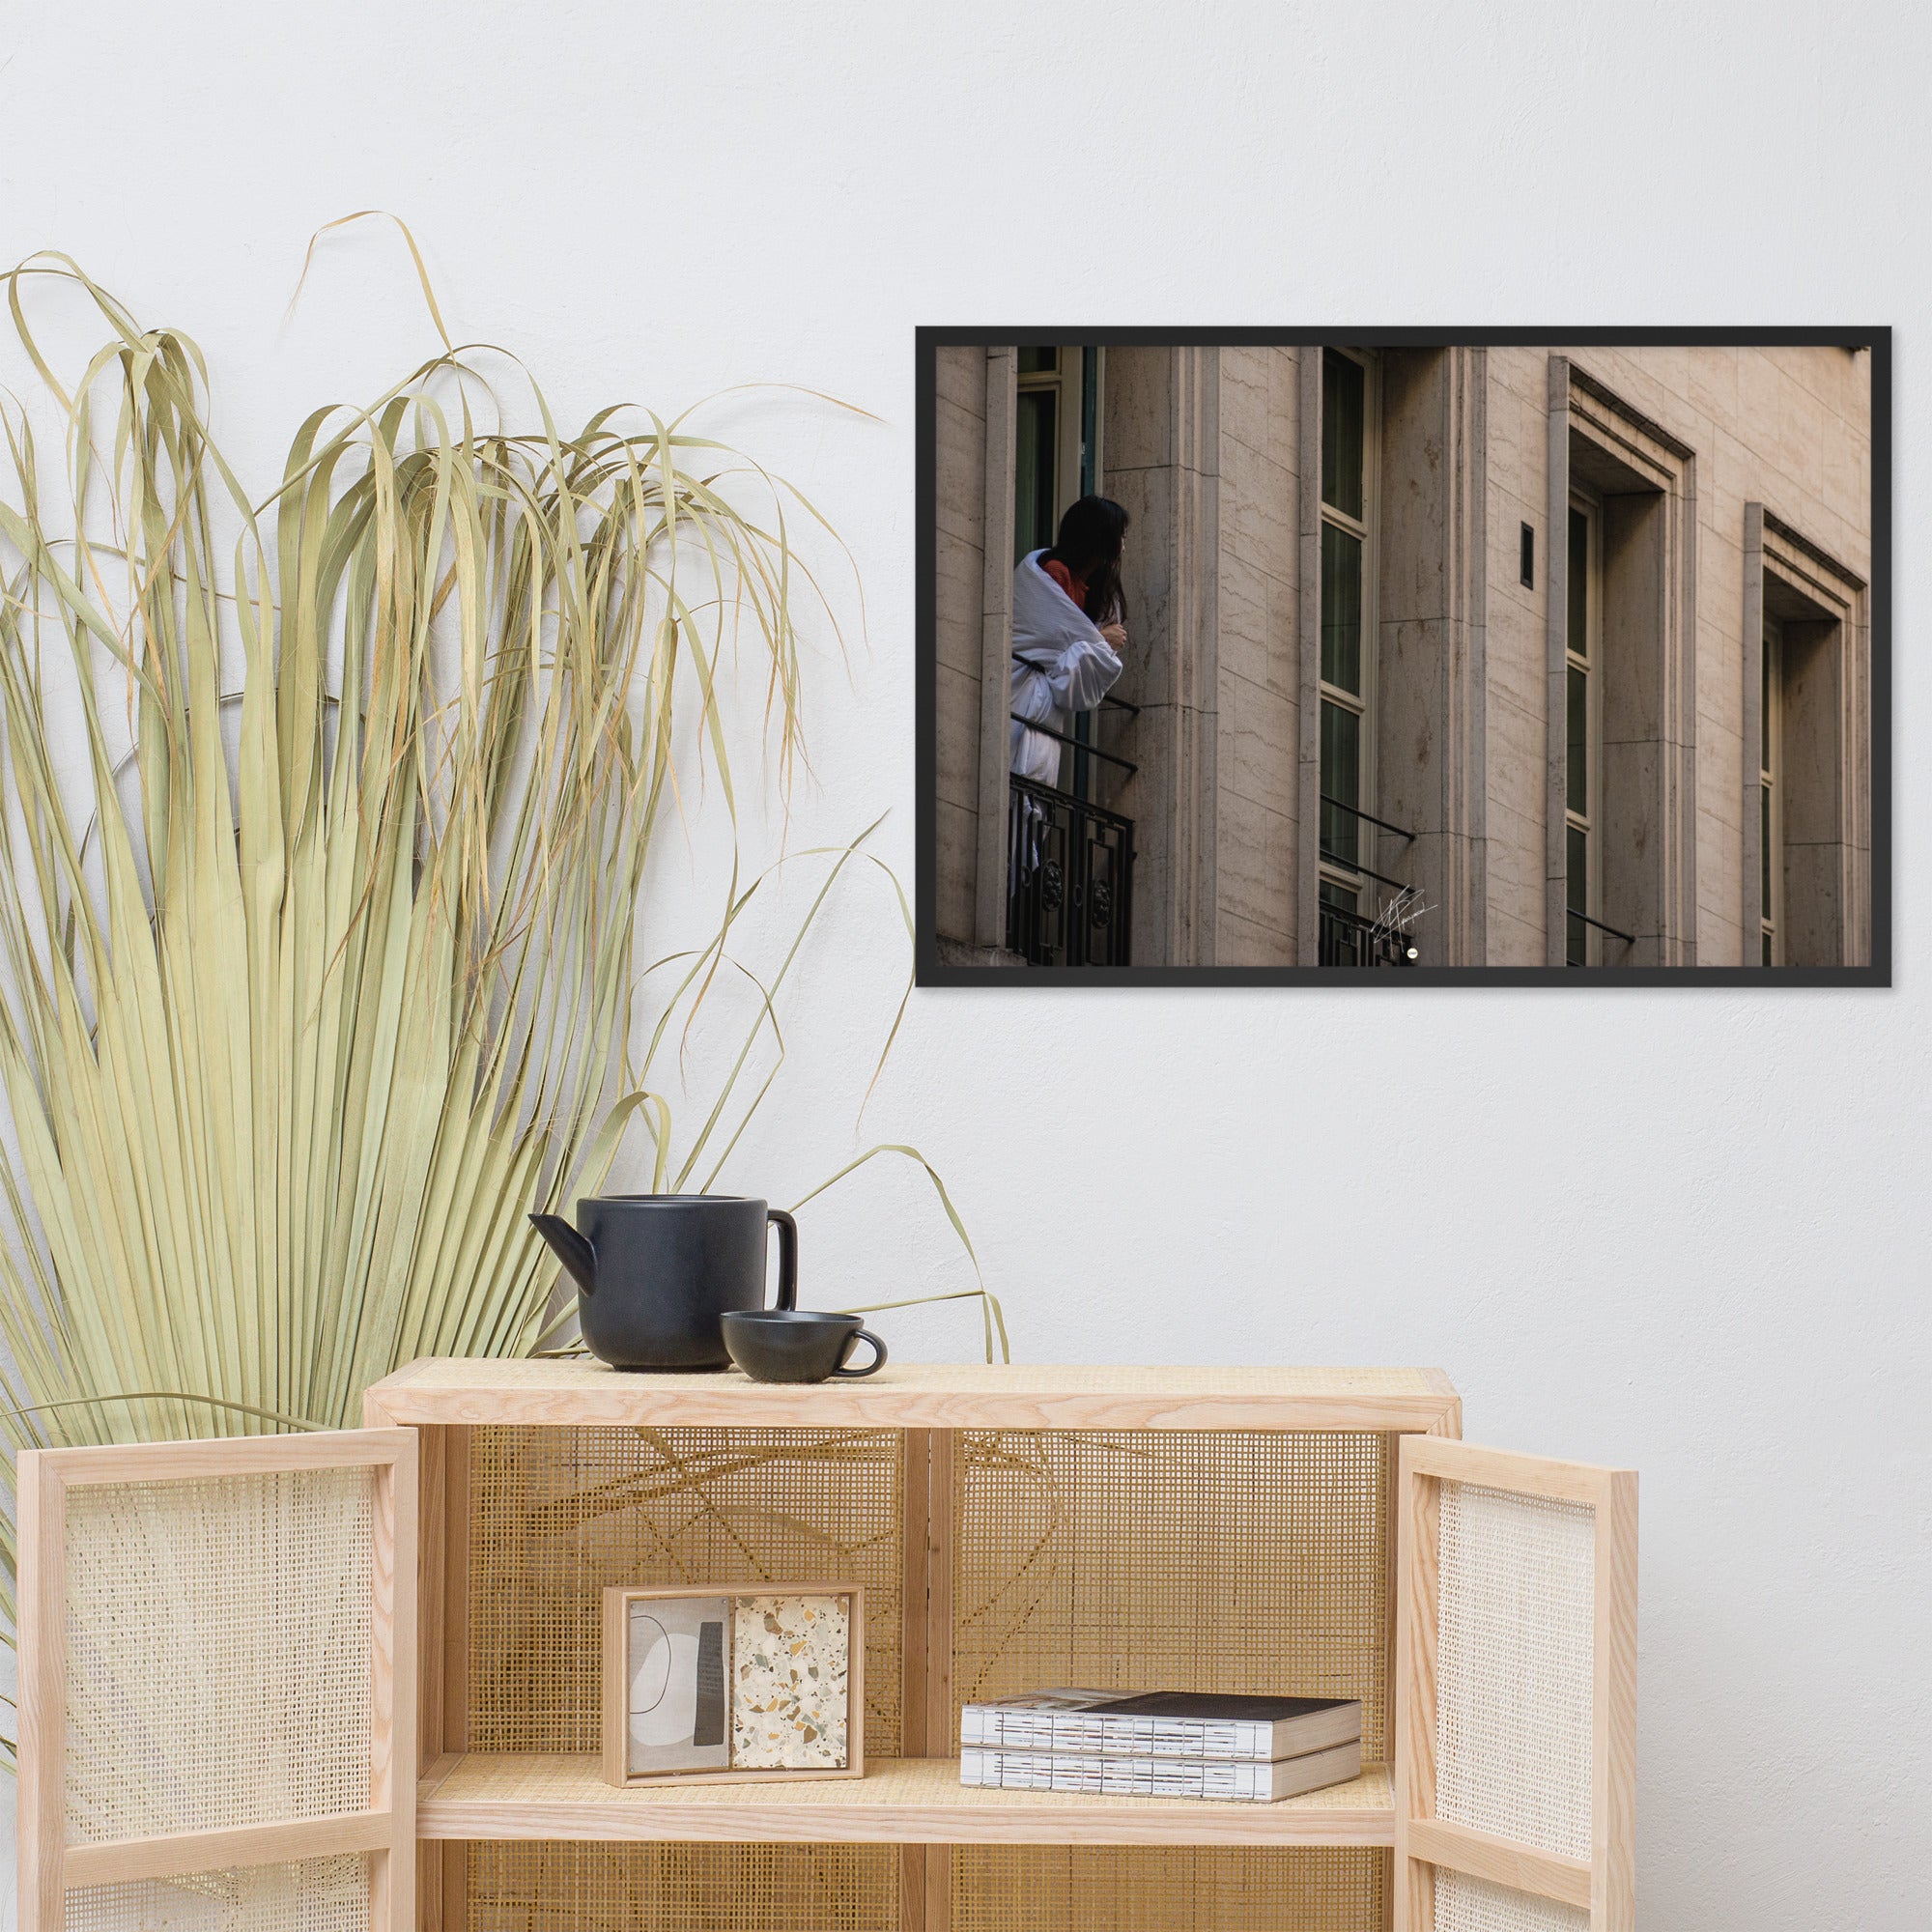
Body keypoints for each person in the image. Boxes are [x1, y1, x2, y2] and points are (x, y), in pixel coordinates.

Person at [1009, 496, 1130, 783]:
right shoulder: (1056, 573)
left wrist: (1095, 642)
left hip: (1047, 703)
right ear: (1101, 537)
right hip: (1025, 689)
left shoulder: (1088, 586)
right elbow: (1051, 637)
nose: (1124, 544)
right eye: (1120, 535)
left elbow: (1070, 643)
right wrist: (1101, 640)